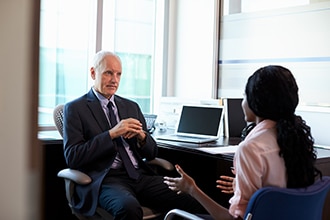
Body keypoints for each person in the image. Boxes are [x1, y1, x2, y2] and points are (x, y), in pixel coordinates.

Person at [164, 65, 322, 220]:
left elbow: (234, 219)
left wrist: (192, 189)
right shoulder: (299, 140)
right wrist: (246, 189)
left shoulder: (250, 148)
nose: (242, 102)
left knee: (176, 217)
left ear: (256, 101)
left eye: (244, 96)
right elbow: (281, 195)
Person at [63, 50, 206, 219]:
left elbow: (152, 153)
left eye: (118, 74)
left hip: (140, 176)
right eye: (108, 73)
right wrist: (111, 134)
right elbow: (73, 156)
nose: (114, 80)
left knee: (193, 198)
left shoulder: (131, 107)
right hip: (107, 179)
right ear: (93, 73)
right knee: (128, 208)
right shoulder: (75, 108)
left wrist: (142, 138)